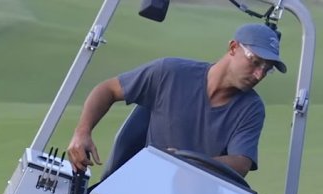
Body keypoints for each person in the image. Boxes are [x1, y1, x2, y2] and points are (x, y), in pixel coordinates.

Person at [66, 23, 287, 180]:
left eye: (267, 69)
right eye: (255, 62)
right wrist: (82, 132)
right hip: (141, 183)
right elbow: (108, 89)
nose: (259, 75)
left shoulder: (251, 108)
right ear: (233, 48)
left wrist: (185, 163)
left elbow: (241, 163)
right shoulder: (171, 73)